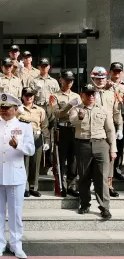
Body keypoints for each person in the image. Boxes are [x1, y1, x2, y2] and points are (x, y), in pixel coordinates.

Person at [0, 93, 35, 259]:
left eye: (7, 108)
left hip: (16, 174)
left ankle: (16, 245)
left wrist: (18, 144)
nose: (4, 111)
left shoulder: (25, 126)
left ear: (15, 109)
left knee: (15, 212)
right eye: (2, 108)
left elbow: (31, 150)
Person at [69, 83, 115, 220]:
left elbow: (110, 130)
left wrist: (113, 149)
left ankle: (104, 207)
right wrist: (80, 117)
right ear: (82, 95)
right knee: (84, 176)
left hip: (101, 144)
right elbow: (72, 121)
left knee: (102, 177)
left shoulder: (103, 110)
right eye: (87, 94)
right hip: (83, 145)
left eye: (92, 94)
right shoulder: (76, 109)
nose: (90, 96)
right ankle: (84, 203)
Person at [48, 69, 81, 197]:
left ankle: (72, 186)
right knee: (61, 159)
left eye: (71, 80)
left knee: (73, 159)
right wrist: (68, 105)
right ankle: (61, 186)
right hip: (61, 129)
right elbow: (56, 114)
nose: (69, 82)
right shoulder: (54, 96)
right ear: (60, 80)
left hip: (74, 129)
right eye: (67, 80)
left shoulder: (77, 96)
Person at [90, 66, 122, 197]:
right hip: (95, 128)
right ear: (93, 79)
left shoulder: (111, 93)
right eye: (97, 79)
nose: (101, 81)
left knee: (111, 157)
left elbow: (116, 112)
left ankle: (109, 185)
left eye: (103, 78)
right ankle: (94, 182)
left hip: (109, 128)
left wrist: (120, 127)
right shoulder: (89, 92)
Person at [18, 87, 49, 197]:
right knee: (24, 162)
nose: (29, 97)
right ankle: (24, 187)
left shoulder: (40, 110)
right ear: (22, 97)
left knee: (35, 163)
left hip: (36, 136)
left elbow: (44, 126)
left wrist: (47, 140)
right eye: (26, 95)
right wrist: (17, 113)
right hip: (23, 137)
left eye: (31, 95)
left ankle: (33, 187)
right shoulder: (18, 109)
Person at [108, 62, 124, 180]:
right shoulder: (105, 85)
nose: (116, 74)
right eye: (114, 71)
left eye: (119, 71)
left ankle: (117, 169)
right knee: (109, 145)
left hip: (122, 118)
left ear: (122, 73)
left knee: (120, 145)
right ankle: (108, 170)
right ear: (110, 72)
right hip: (109, 119)